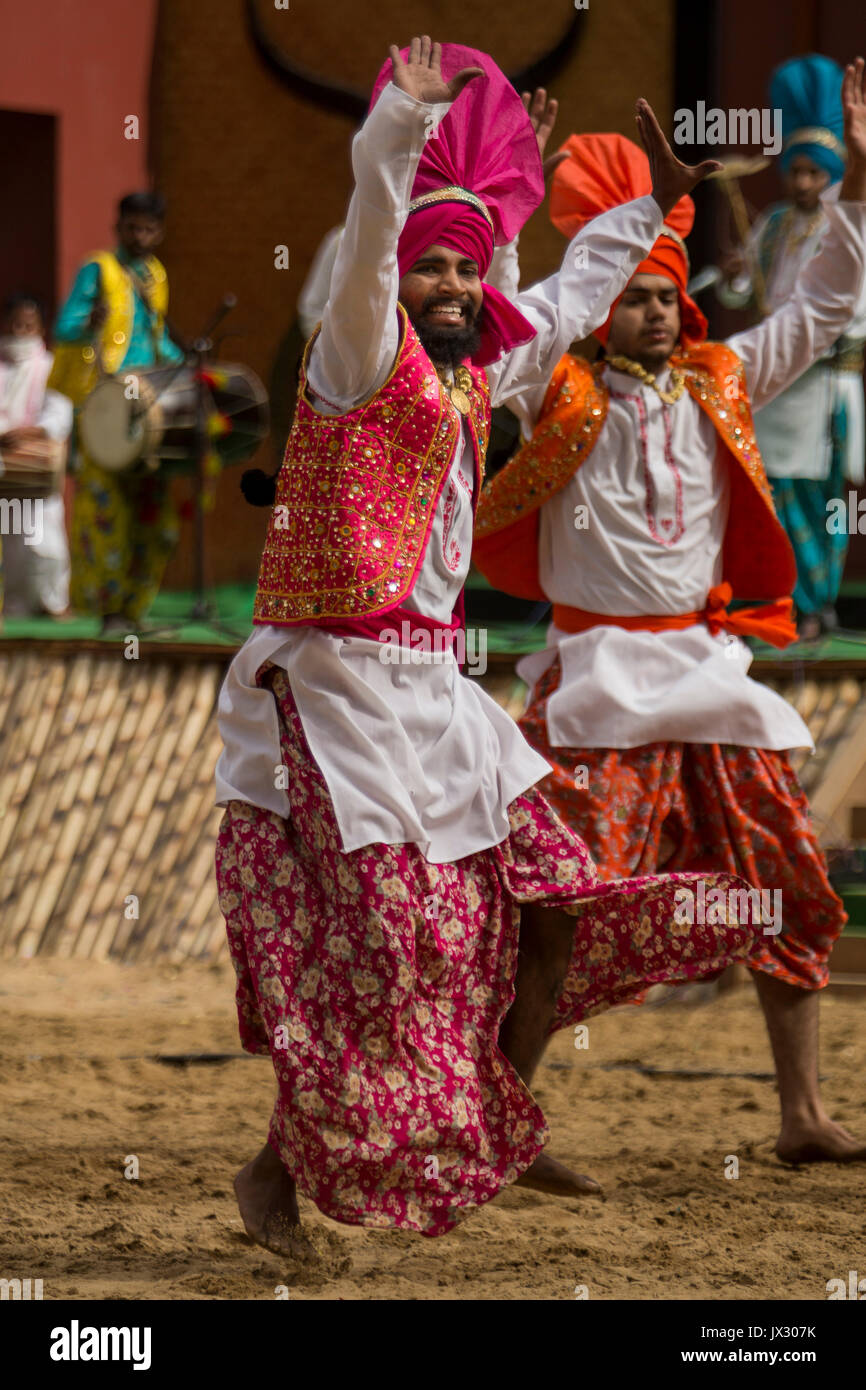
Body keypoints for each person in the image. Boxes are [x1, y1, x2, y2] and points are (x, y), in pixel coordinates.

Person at [214, 37, 758, 1249]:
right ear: (397, 287)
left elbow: (561, 302)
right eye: (434, 273)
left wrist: (642, 205)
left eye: (467, 274)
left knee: (553, 908)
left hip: (438, 696)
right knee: (392, 956)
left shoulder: (473, 382)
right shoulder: (358, 358)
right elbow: (369, 230)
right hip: (341, 688)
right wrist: (402, 126)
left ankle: (497, 1110)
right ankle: (277, 1174)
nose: (454, 289)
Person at [474, 57, 866, 1167]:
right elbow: (510, 335)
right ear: (601, 309)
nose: (652, 310)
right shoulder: (558, 386)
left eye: (664, 294)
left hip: (706, 676)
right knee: (562, 900)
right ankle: (511, 1119)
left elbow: (825, 304)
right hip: (594, 684)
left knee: (786, 876)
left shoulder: (721, 380)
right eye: (633, 295)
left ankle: (799, 1115)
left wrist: (852, 179)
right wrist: (510, 206)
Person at [717, 55, 866, 640]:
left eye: (814, 173)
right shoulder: (774, 222)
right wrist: (734, 272)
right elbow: (743, 288)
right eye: (795, 170)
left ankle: (818, 605)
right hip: (777, 380)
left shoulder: (850, 225)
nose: (802, 182)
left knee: (820, 497)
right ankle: (781, 602)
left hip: (825, 383)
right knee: (773, 490)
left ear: (831, 174)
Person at [49, 191, 184, 631]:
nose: (140, 235)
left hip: (147, 405)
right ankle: (106, 610)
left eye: (148, 228)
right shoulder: (99, 268)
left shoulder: (157, 275)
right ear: (118, 226)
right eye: (132, 227)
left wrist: (186, 363)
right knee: (106, 510)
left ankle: (133, 608)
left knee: (153, 511)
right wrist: (90, 321)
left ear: (159, 232)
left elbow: (157, 337)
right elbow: (64, 327)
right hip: (103, 404)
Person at [0, 293, 72, 619]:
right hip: (7, 470)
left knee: (48, 543)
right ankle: (16, 605)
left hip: (38, 468)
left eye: (29, 325)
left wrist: (32, 433)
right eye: (16, 324)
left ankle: (53, 603)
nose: (21, 330)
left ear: (41, 328)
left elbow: (60, 411)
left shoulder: (51, 367)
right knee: (14, 546)